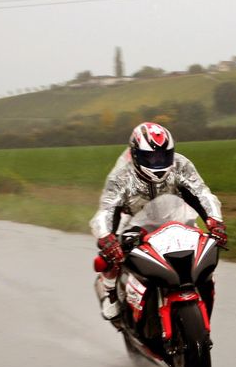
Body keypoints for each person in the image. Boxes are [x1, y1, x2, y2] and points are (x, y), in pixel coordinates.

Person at [92, 121, 226, 325]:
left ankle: (201, 296)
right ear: (135, 154)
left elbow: (202, 193)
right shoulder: (121, 175)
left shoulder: (181, 164)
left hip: (175, 217)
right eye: (151, 157)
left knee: (203, 254)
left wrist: (216, 221)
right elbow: (106, 210)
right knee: (112, 255)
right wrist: (106, 237)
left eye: (164, 155)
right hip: (133, 220)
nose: (158, 162)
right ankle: (110, 290)